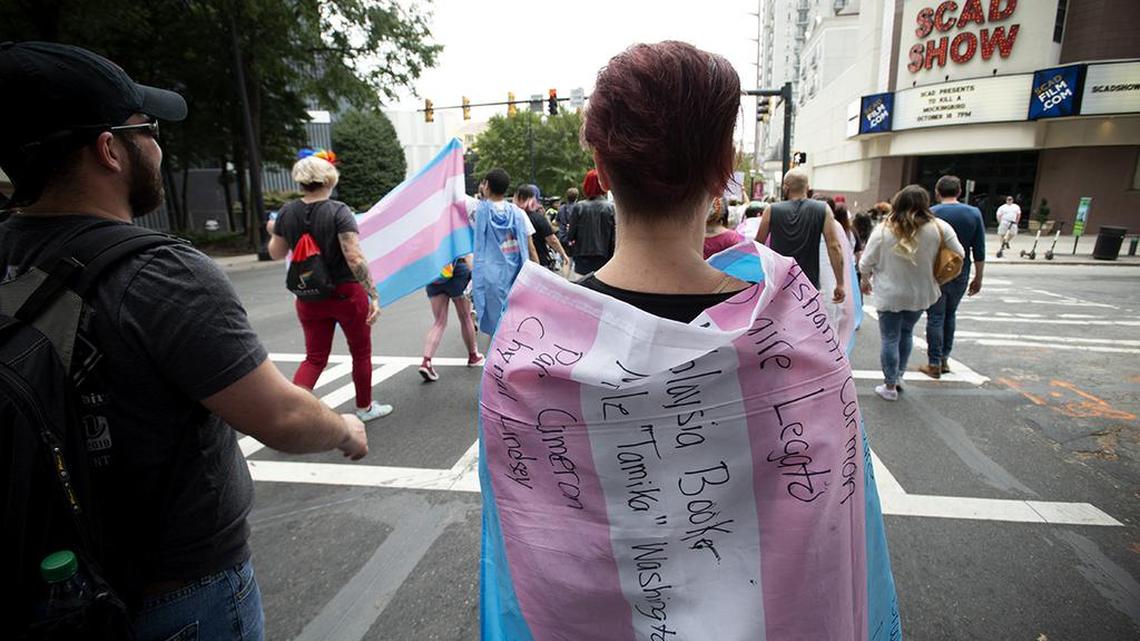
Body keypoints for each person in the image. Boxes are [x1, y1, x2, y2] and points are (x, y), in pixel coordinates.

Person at [477, 40, 898, 639]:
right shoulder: (797, 334)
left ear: (597, 159)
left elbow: (526, 547)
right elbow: (828, 538)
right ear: (725, 165)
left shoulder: (525, 353)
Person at [0, 42, 367, 641]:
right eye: (147, 130)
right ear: (109, 149)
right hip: (174, 596)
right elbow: (278, 417)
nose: (158, 145)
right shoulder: (160, 273)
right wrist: (344, 428)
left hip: (44, 580)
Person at [267, 155, 392, 422]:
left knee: (314, 358)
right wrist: (373, 294)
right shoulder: (339, 211)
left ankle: (293, 414)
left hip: (308, 296)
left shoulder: (287, 212)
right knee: (360, 352)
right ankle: (364, 408)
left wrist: (275, 230)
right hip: (346, 293)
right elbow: (354, 256)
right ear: (329, 179)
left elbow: (276, 252)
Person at [859, 184, 964, 401]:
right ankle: (898, 377)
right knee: (906, 333)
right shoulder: (940, 228)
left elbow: (866, 262)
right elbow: (959, 253)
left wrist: (865, 279)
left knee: (889, 337)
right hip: (920, 294)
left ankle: (889, 385)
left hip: (889, 294)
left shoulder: (883, 230)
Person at [922, 175, 985, 379]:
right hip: (960, 270)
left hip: (935, 271)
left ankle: (933, 361)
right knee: (950, 314)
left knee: (936, 316)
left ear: (938, 192)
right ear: (959, 192)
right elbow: (979, 249)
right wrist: (978, 278)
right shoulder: (974, 213)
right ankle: (944, 358)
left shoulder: (931, 213)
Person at [754, 167, 846, 303]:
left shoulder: (771, 210)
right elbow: (834, 246)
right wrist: (840, 283)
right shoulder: (823, 209)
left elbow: (757, 247)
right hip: (808, 285)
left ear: (785, 188)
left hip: (778, 283)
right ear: (807, 188)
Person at [471, 168, 539, 336]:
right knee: (513, 316)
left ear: (486, 186)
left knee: (496, 322)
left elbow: (479, 244)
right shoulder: (517, 212)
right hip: (515, 271)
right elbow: (527, 244)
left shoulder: (482, 211)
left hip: (491, 272)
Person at [417, 254, 483, 381]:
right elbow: (467, 254)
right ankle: (473, 356)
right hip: (457, 271)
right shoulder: (454, 233)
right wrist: (475, 276)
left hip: (435, 274)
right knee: (465, 317)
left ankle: (426, 362)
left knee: (439, 322)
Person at [566, 168, 616, 277]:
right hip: (605, 257)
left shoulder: (579, 207)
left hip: (582, 257)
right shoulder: (611, 208)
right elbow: (613, 237)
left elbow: (570, 236)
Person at [516, 184, 569, 273]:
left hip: (518, 261)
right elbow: (552, 239)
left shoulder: (514, 217)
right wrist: (563, 254)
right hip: (539, 261)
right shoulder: (538, 218)